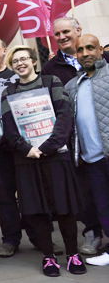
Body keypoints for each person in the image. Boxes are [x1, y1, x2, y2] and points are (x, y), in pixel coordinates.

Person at [1, 45, 84, 277]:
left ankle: (72, 254)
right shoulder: (8, 92)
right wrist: (27, 148)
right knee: (36, 211)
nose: (20, 63)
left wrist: (47, 147)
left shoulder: (52, 82)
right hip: (27, 159)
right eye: (15, 61)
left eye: (24, 59)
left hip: (56, 156)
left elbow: (64, 116)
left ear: (34, 61)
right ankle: (48, 257)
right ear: (12, 66)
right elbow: (9, 127)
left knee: (65, 208)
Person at [0, 37, 46, 258]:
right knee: (4, 196)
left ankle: (40, 237)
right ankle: (10, 239)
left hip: (23, 145)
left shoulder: (18, 75)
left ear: (5, 51)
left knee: (30, 193)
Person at [42, 17, 106, 255]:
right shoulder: (50, 69)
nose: (62, 37)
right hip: (77, 145)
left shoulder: (105, 63)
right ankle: (93, 234)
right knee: (87, 195)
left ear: (79, 30)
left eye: (66, 32)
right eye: (57, 34)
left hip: (105, 143)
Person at [64, 35, 109, 267]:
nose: (85, 53)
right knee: (103, 206)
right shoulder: (73, 84)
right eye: (80, 50)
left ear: (100, 50)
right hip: (90, 158)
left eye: (90, 48)